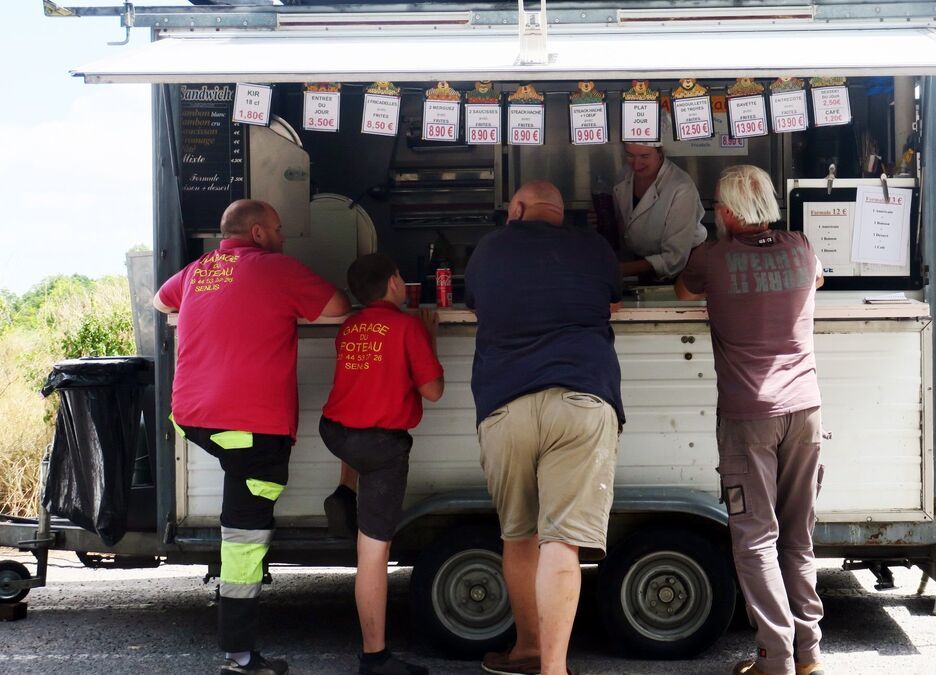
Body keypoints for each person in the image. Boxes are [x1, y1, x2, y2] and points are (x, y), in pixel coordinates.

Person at [154, 200, 350, 675]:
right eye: (280, 229)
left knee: (242, 487)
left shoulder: (200, 268)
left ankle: (240, 637)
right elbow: (339, 307)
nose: (284, 236)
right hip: (250, 429)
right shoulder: (276, 268)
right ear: (258, 232)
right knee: (244, 538)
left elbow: (161, 301)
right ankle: (240, 656)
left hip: (194, 418)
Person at [465, 181, 623, 675]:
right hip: (581, 396)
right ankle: (553, 669)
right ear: (561, 211)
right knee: (561, 542)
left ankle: (527, 650)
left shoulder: (489, 249)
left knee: (519, 537)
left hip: (506, 403)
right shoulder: (595, 248)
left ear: (516, 208)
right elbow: (612, 304)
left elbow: (476, 307)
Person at [674, 165, 826, 675]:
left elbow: (682, 292)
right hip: (805, 409)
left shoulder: (712, 258)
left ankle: (774, 659)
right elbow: (818, 279)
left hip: (749, 415)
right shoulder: (801, 247)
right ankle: (809, 656)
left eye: (718, 205)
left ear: (732, 212)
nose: (716, 212)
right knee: (797, 537)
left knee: (756, 537)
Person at [318, 253, 444, 675]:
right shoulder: (408, 327)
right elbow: (433, 391)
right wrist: (430, 340)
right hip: (379, 449)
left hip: (336, 432)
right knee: (372, 552)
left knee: (359, 428)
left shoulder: (350, 326)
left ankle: (344, 492)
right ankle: (374, 656)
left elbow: (370, 373)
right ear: (393, 282)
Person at [612, 141, 707, 281]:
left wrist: (620, 269)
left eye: (644, 156)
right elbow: (627, 224)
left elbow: (674, 259)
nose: (636, 164)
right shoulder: (624, 175)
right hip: (637, 263)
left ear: (660, 152)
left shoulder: (681, 188)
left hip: (683, 271)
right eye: (630, 155)